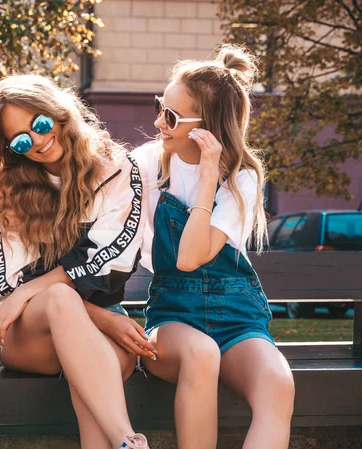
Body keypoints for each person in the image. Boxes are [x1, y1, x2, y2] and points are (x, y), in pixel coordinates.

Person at [0, 74, 152, 449]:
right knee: (59, 300)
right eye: (21, 139)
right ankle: (129, 439)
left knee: (98, 365)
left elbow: (112, 257)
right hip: (28, 334)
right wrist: (104, 318)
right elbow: (12, 286)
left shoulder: (115, 167)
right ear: (10, 149)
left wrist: (38, 289)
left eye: (39, 124)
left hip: (92, 329)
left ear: (57, 111)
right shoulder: (8, 191)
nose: (37, 141)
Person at [132, 45, 295, 449]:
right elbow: (184, 264)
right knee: (201, 351)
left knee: (278, 383)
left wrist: (208, 178)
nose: (158, 122)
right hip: (174, 316)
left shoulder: (242, 178)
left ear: (207, 127)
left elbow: (193, 254)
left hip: (238, 316)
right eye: (159, 106)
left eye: (170, 115)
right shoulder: (146, 164)